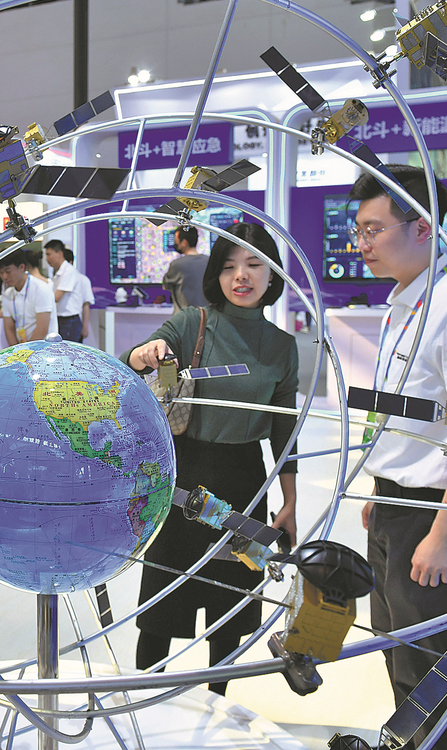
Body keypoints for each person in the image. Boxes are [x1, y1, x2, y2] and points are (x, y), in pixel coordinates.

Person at [352, 166, 447, 750]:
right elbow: (409, 413)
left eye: (373, 229)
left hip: (436, 511)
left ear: (422, 226)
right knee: (398, 655)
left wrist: (443, 533)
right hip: (399, 506)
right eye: (359, 231)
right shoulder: (406, 300)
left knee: (430, 675)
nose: (362, 244)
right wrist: (383, 489)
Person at [122, 223, 298, 697]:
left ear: (272, 273)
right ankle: (144, 704)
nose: (241, 276)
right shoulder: (190, 323)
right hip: (184, 477)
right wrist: (144, 353)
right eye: (229, 266)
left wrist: (289, 501)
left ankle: (216, 707)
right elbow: (131, 362)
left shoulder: (282, 346)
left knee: (230, 608)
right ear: (216, 275)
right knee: (161, 604)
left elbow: (284, 430)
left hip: (246, 482)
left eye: (254, 264)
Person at [0, 250, 57, 346]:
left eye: (8, 271)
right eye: (1, 272)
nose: (4, 276)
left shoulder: (41, 289)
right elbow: (9, 329)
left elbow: (42, 330)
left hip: (45, 348)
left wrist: (26, 352)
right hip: (22, 350)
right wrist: (15, 351)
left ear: (22, 267)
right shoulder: (7, 294)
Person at [44, 239, 85, 342]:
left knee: (68, 351)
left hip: (69, 321)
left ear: (59, 253)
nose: (47, 258)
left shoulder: (68, 271)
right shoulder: (58, 272)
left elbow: (57, 297)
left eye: (49, 254)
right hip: (62, 320)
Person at [163, 225, 209, 312]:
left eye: (176, 241)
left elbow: (165, 287)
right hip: (206, 316)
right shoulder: (209, 262)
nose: (175, 244)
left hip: (183, 317)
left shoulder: (177, 264)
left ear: (184, 242)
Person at [64, 248, 95, 342]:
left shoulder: (82, 280)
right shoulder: (57, 279)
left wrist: (85, 327)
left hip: (74, 323)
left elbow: (86, 305)